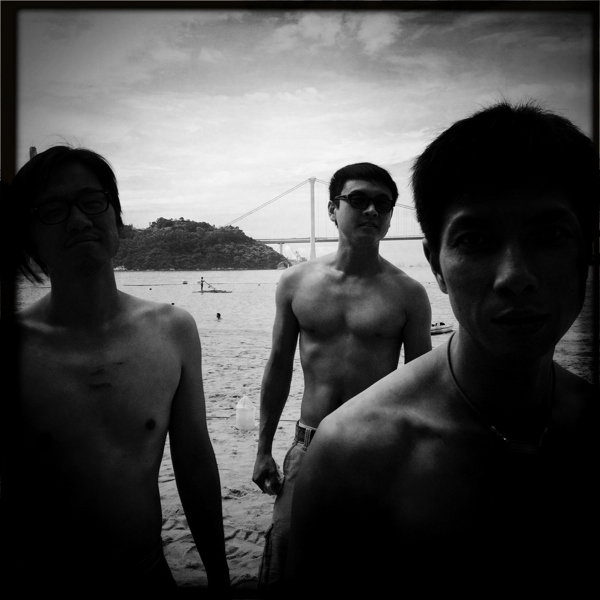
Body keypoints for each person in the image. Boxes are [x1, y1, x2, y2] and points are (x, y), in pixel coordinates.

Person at [285, 101, 599, 597]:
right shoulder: (351, 454)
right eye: (475, 240)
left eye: (549, 235)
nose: (514, 276)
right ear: (436, 263)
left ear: (588, 250)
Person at [8, 146, 230, 595]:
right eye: (53, 209)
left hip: (148, 576)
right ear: (28, 238)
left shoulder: (173, 330)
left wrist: (220, 579)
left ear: (117, 220)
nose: (78, 220)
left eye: (92, 202)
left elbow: (194, 464)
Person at [252, 162, 432, 593]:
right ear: (333, 209)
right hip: (308, 445)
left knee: (367, 571)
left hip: (377, 452)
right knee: (286, 567)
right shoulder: (295, 282)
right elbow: (278, 365)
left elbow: (423, 388)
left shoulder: (409, 294)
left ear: (391, 216)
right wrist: (263, 448)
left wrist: (419, 466)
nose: (372, 210)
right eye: (358, 199)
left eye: (383, 204)